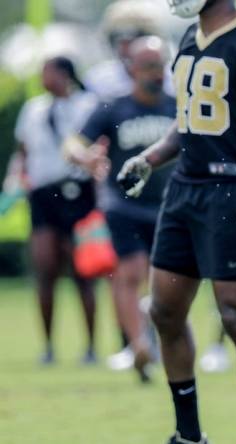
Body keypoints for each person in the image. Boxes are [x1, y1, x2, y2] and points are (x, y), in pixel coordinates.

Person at [116, 0, 236, 442]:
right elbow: (188, 120)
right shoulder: (191, 35)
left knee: (235, 316)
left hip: (231, 188)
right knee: (165, 311)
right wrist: (150, 158)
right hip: (184, 188)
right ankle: (188, 434)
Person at [65, 36, 176, 383]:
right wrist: (84, 157)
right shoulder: (113, 108)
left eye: (160, 65)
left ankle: (154, 337)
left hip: (169, 208)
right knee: (130, 273)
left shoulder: (177, 107)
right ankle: (139, 345)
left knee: (167, 281)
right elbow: (73, 142)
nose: (155, 73)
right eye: (148, 66)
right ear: (131, 69)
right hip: (123, 205)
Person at [8, 56, 99, 365]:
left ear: (65, 75)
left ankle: (90, 346)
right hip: (43, 193)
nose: (43, 78)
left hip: (77, 193)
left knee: (82, 272)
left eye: (48, 72)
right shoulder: (33, 108)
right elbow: (23, 151)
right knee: (44, 267)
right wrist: (14, 179)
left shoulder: (87, 105)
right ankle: (48, 346)